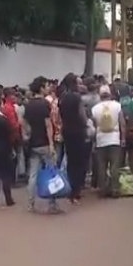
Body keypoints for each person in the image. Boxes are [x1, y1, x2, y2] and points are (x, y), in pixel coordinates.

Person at [23, 76, 59, 214]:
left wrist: (27, 135)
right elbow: (48, 125)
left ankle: (30, 204)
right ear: (41, 88)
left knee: (33, 175)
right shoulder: (45, 104)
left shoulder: (28, 105)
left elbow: (24, 123)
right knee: (51, 173)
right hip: (44, 143)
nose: (48, 88)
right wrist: (51, 144)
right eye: (46, 86)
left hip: (33, 143)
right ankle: (52, 204)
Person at [58, 74, 88, 203]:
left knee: (70, 160)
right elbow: (82, 115)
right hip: (78, 130)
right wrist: (86, 125)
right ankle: (76, 189)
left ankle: (70, 187)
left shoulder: (62, 98)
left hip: (67, 130)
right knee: (80, 161)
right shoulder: (76, 97)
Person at [91, 85, 125, 198]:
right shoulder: (117, 106)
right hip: (114, 139)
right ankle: (115, 189)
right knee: (114, 166)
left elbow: (94, 126)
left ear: (100, 96)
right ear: (110, 94)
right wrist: (123, 138)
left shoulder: (95, 109)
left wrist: (94, 141)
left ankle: (103, 189)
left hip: (101, 140)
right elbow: (122, 123)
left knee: (101, 167)